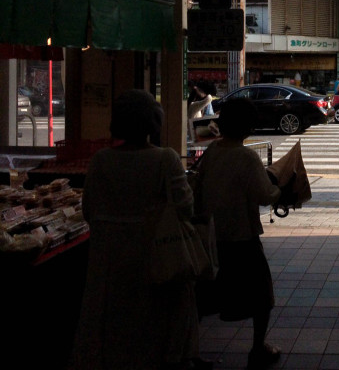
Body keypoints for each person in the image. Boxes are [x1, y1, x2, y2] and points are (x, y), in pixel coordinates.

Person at [72, 90, 204, 370]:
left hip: (109, 260)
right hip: (156, 256)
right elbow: (185, 208)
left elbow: (89, 210)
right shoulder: (165, 159)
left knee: (114, 327)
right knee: (155, 325)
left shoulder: (101, 160)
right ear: (153, 124)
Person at [194, 98, 283, 369]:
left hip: (211, 236)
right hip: (242, 236)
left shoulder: (211, 152)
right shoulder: (246, 156)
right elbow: (264, 194)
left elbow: (198, 188)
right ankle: (258, 349)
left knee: (205, 296)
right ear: (248, 126)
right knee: (262, 295)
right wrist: (281, 188)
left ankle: (191, 351)